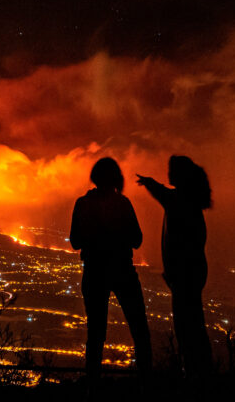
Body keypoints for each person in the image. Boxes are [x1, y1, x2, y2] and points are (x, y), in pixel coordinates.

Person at [70, 157, 152, 384]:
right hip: (123, 271)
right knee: (140, 331)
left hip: (94, 273)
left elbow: (75, 242)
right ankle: (147, 384)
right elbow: (137, 239)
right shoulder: (122, 204)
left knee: (95, 335)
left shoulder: (82, 203)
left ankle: (92, 386)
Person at [137, 155, 212, 378]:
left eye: (171, 170)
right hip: (190, 274)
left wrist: (150, 183)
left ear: (180, 175)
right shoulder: (187, 200)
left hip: (184, 275)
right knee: (194, 324)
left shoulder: (180, 201)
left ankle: (197, 376)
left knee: (187, 328)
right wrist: (150, 183)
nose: (168, 173)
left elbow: (165, 197)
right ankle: (201, 373)